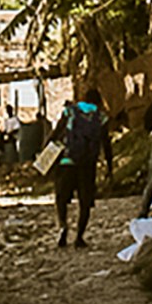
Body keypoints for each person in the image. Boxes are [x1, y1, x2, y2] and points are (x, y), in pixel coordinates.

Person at [50, 91, 108, 248]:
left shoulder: (70, 111)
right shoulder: (100, 117)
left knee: (61, 198)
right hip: (87, 165)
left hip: (67, 161)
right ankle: (79, 237)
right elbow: (106, 144)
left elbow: (56, 134)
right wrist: (110, 167)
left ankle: (63, 226)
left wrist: (46, 155)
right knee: (85, 201)